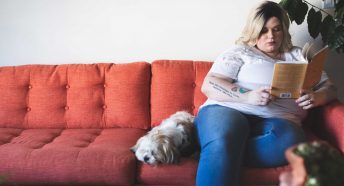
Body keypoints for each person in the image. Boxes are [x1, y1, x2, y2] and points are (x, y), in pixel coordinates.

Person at [194, 1, 337, 186]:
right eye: (263, 30)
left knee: (291, 142)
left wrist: (317, 97)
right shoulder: (240, 51)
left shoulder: (299, 56)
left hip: (279, 120)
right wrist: (247, 95)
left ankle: (214, 149)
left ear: (284, 30)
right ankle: (218, 145)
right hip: (228, 110)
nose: (271, 36)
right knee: (225, 137)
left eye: (276, 29)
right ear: (254, 31)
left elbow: (331, 88)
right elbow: (209, 84)